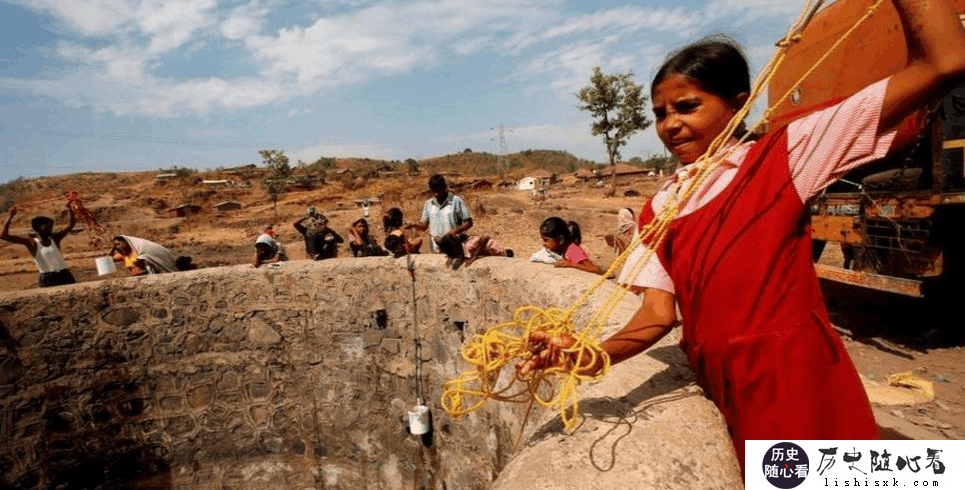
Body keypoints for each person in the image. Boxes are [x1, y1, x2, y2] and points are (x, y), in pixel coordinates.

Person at [519, 0, 965, 475]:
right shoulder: (660, 206)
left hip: (794, 373)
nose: (670, 124)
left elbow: (944, 62)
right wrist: (590, 356)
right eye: (660, 113)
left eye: (687, 106)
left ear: (737, 103)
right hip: (725, 382)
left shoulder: (788, 153)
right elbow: (657, 314)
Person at [1, 205, 77, 287]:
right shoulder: (32, 243)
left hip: (64, 274)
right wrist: (10, 216)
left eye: (51, 227)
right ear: (38, 228)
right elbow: (3, 235)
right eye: (47, 227)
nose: (50, 229)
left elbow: (71, 225)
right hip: (47, 278)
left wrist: (70, 208)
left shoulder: (55, 239)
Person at [408, 174, 473, 253]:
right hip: (435, 250)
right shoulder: (428, 204)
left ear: (445, 187)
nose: (436, 194)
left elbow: (469, 223)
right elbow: (424, 226)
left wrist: (456, 231)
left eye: (438, 190)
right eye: (433, 191)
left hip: (454, 249)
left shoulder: (456, 201)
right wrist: (413, 225)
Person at [529, 217, 603, 274]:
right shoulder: (560, 249)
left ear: (559, 238)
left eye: (546, 240)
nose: (544, 244)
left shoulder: (573, 251)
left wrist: (571, 264)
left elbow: (596, 269)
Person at [435, 233, 513, 270]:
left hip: (498, 251)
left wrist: (473, 258)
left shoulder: (469, 247)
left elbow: (485, 237)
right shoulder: (460, 246)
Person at [110, 235, 179, 276]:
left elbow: (140, 267)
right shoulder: (127, 252)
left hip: (153, 275)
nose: (117, 247)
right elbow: (111, 259)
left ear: (126, 242)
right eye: (115, 246)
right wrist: (111, 252)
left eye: (118, 244)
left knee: (139, 261)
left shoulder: (141, 252)